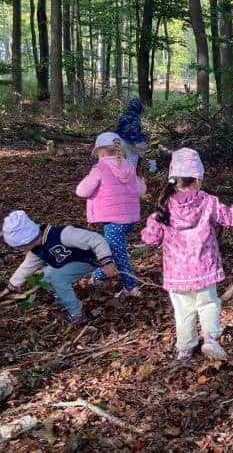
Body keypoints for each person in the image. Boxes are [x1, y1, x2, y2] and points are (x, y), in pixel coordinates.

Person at [140, 148, 233, 362]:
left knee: (183, 310)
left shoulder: (164, 207)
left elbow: (150, 239)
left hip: (177, 274)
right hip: (205, 269)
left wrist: (154, 235)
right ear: (197, 179)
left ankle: (185, 348)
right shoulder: (208, 201)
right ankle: (211, 340)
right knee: (208, 304)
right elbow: (231, 218)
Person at [1, 210, 118, 323]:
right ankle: (62, 297)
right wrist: (11, 287)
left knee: (58, 278)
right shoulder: (36, 249)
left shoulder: (62, 234)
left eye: (18, 247)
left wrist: (107, 262)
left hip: (88, 259)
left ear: (26, 242)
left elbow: (95, 239)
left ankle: (77, 313)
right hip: (70, 262)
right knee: (44, 275)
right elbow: (26, 268)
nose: (19, 250)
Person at [76, 132, 147, 297]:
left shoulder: (99, 168)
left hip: (113, 222)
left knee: (118, 255)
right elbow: (140, 190)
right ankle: (97, 276)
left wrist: (86, 179)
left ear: (100, 152)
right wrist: (143, 183)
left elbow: (82, 191)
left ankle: (131, 287)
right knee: (114, 250)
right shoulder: (129, 167)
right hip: (130, 220)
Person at [116, 98, 148, 168]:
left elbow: (118, 128)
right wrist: (136, 142)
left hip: (121, 141)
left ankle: (123, 172)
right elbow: (133, 130)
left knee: (128, 158)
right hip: (131, 142)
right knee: (149, 153)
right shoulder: (135, 118)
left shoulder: (123, 116)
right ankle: (152, 170)